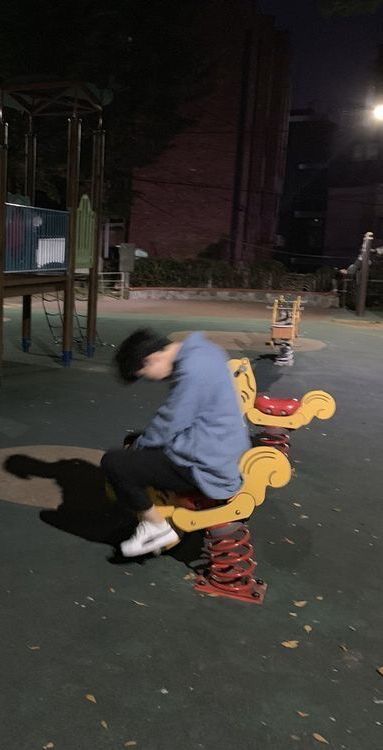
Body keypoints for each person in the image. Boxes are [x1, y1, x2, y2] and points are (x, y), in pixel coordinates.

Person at [101, 328, 251, 558]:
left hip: (208, 464)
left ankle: (156, 527)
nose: (151, 379)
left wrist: (139, 447)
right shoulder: (203, 351)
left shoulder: (192, 370)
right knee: (139, 443)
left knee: (114, 462)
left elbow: (170, 422)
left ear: (150, 359)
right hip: (221, 445)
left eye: (144, 374)